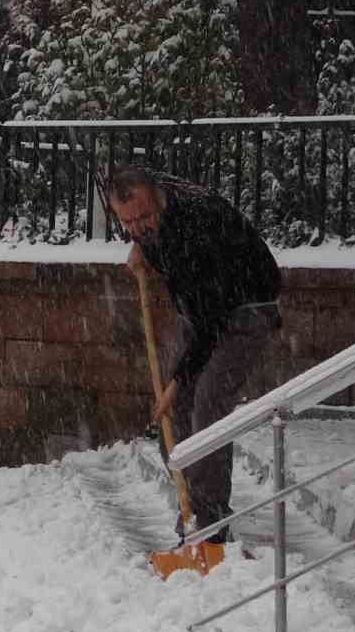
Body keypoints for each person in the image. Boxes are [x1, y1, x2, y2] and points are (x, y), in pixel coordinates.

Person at [111, 165, 282, 561]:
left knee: (205, 406)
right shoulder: (153, 207)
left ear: (157, 198)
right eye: (128, 222)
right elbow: (199, 311)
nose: (137, 226)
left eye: (144, 218)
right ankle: (191, 515)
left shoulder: (197, 227)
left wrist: (176, 382)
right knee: (175, 417)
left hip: (245, 307)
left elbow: (212, 322)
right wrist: (141, 245)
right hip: (202, 307)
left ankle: (212, 531)